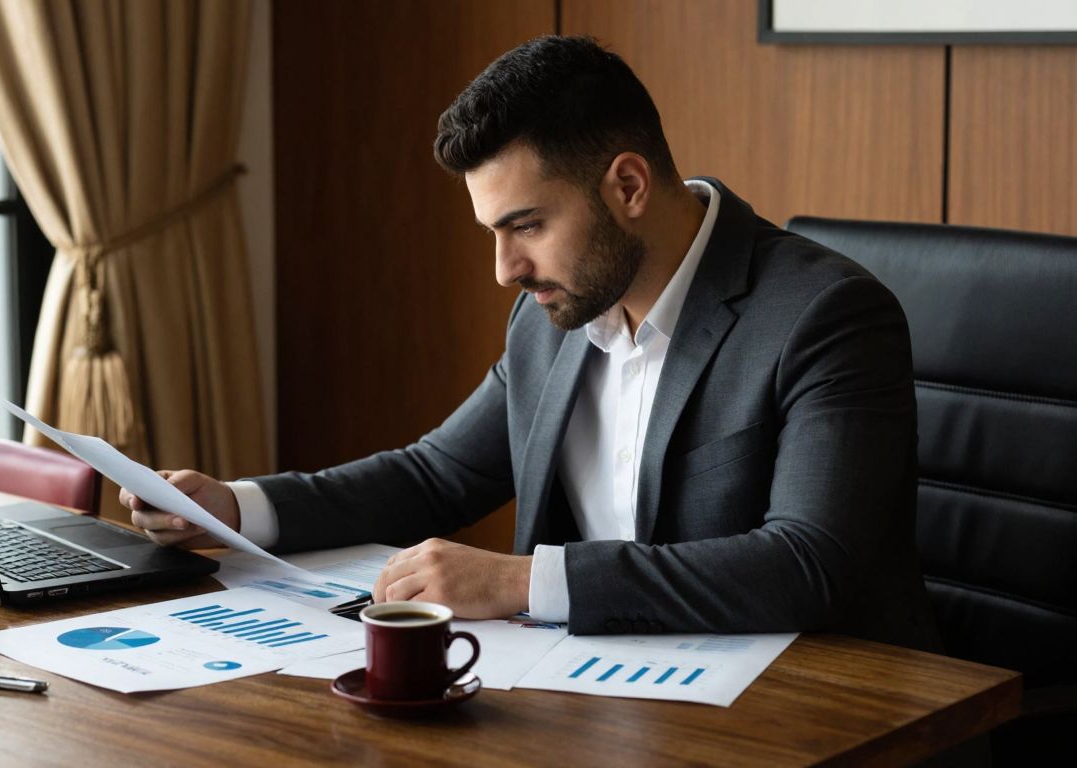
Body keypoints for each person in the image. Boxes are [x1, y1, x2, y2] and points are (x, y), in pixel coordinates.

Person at [123, 35, 939, 649]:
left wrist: (522, 582)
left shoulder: (826, 316)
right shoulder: (558, 310)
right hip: (597, 699)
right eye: (492, 232)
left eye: (527, 227)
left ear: (626, 186)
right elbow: (436, 474)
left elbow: (807, 566)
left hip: (807, 709)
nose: (505, 270)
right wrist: (235, 507)